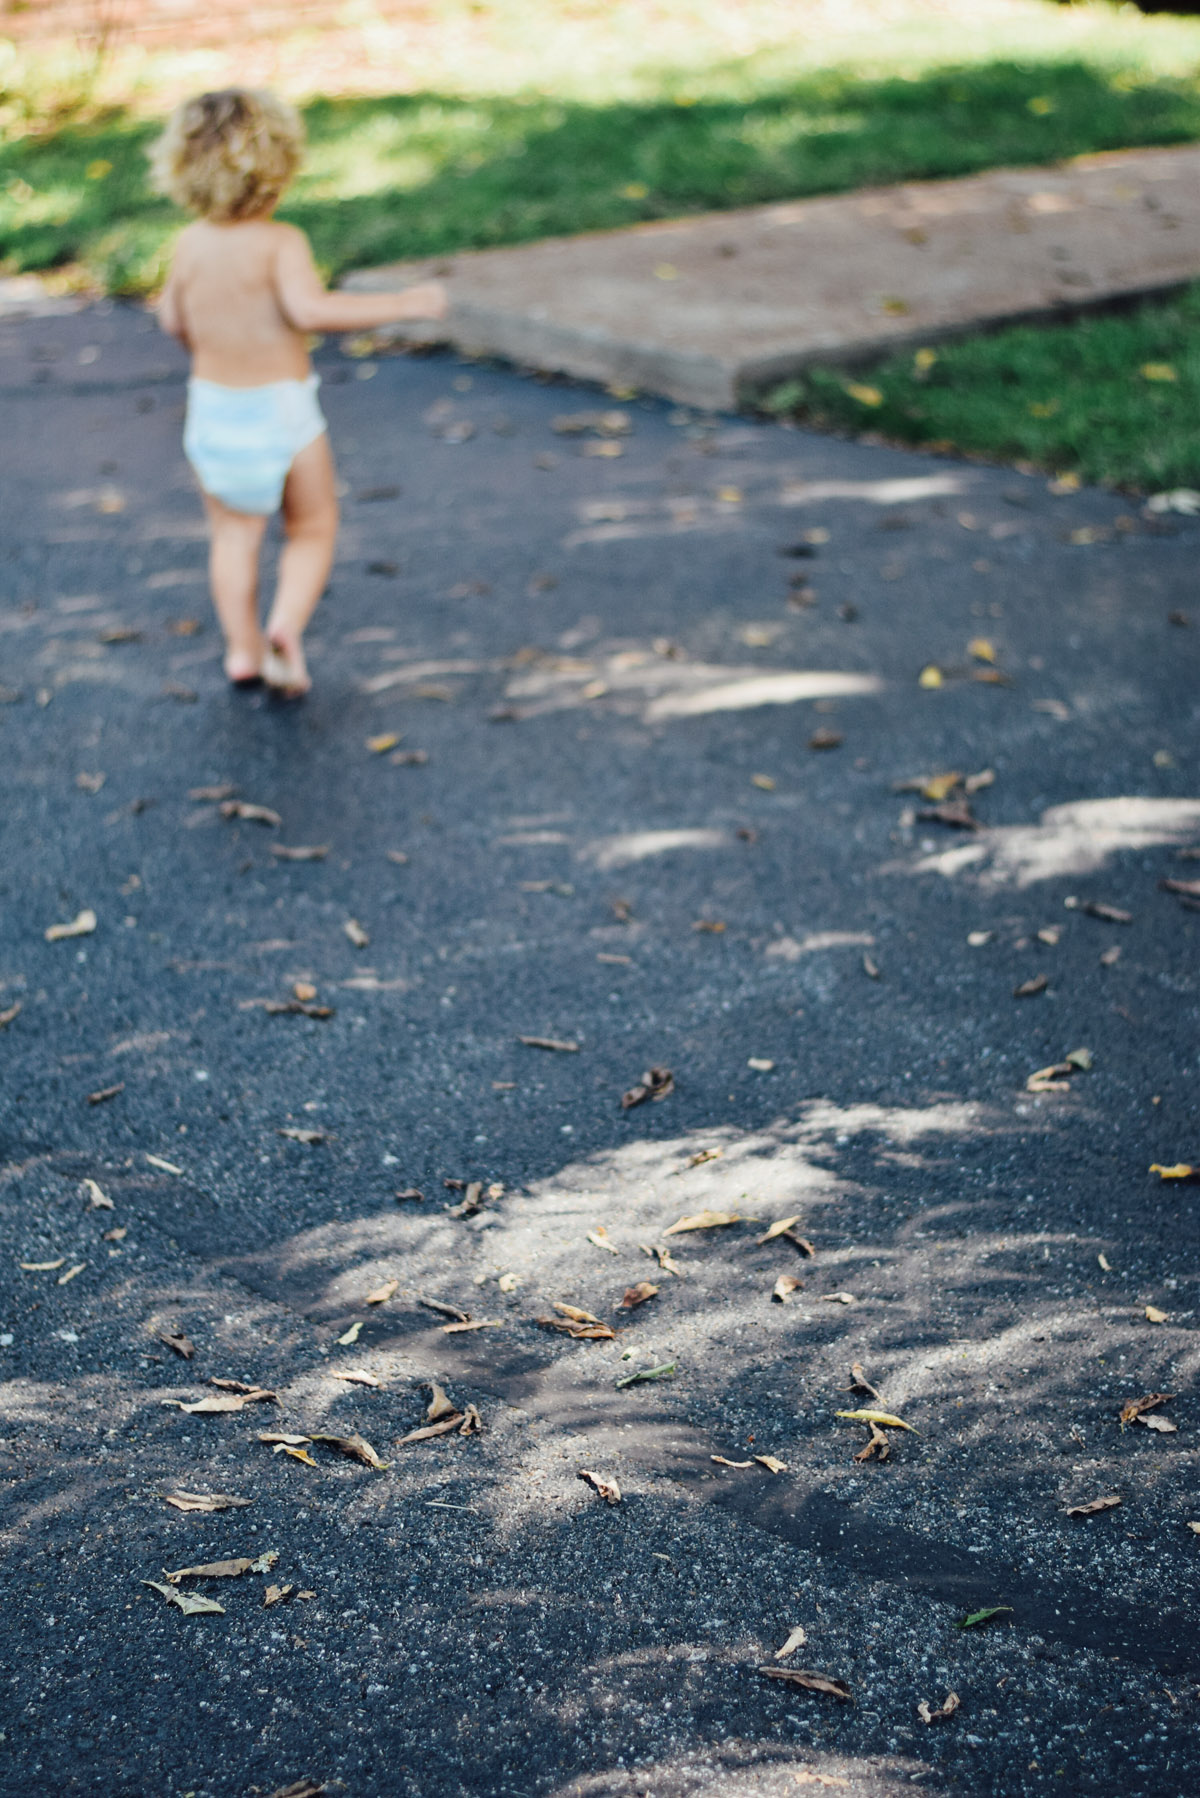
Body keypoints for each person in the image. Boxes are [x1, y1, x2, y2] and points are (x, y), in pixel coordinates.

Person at [151, 88, 447, 695]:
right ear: (277, 165)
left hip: (212, 411)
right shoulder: (280, 242)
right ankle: (285, 625)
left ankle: (242, 649)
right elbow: (310, 310)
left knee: (233, 535)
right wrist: (405, 303)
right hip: (281, 412)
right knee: (312, 526)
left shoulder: (188, 244)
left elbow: (172, 321)